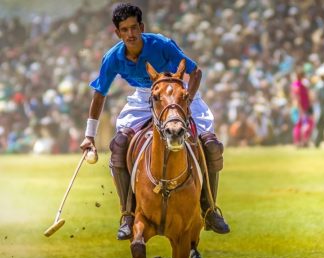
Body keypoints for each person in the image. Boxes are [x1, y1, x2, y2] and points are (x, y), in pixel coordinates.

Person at [79, 3, 230, 240]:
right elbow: (100, 93)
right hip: (144, 96)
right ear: (117, 33)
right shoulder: (113, 58)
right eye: (124, 30)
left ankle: (209, 209)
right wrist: (89, 135)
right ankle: (128, 215)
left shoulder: (161, 45)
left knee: (211, 144)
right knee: (119, 144)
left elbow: (196, 72)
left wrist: (186, 101)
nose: (130, 34)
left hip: (178, 93)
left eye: (133, 28)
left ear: (141, 27)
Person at [291, 69, 314, 148]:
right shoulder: (296, 85)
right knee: (299, 124)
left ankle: (304, 141)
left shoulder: (303, 84)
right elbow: (296, 98)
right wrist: (299, 108)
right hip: (300, 108)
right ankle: (298, 142)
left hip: (305, 108)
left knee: (309, 123)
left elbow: (307, 96)